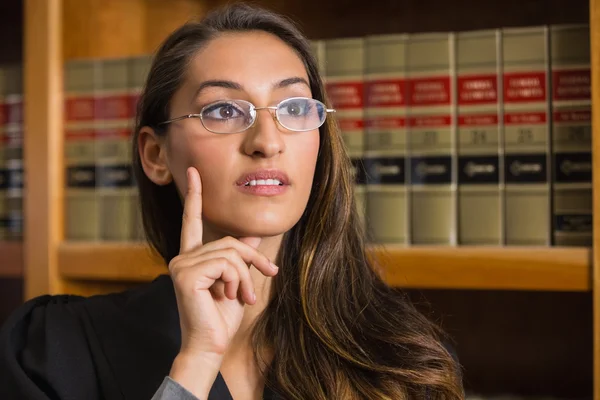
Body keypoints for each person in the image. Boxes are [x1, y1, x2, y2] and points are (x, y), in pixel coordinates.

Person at [0, 3, 464, 399]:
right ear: (156, 154)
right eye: (224, 110)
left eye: (295, 109)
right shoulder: (55, 350)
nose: (267, 141)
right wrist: (197, 361)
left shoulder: (400, 360)